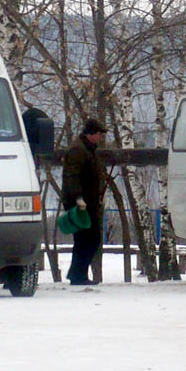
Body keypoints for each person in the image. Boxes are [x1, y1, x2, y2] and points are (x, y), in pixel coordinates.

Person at [62, 117, 107, 285]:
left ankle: (77, 274)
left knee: (88, 239)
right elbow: (72, 176)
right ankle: (77, 275)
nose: (100, 137)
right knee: (87, 238)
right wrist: (78, 197)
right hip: (80, 204)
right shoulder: (78, 150)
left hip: (89, 202)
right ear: (91, 134)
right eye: (99, 134)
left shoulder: (88, 149)